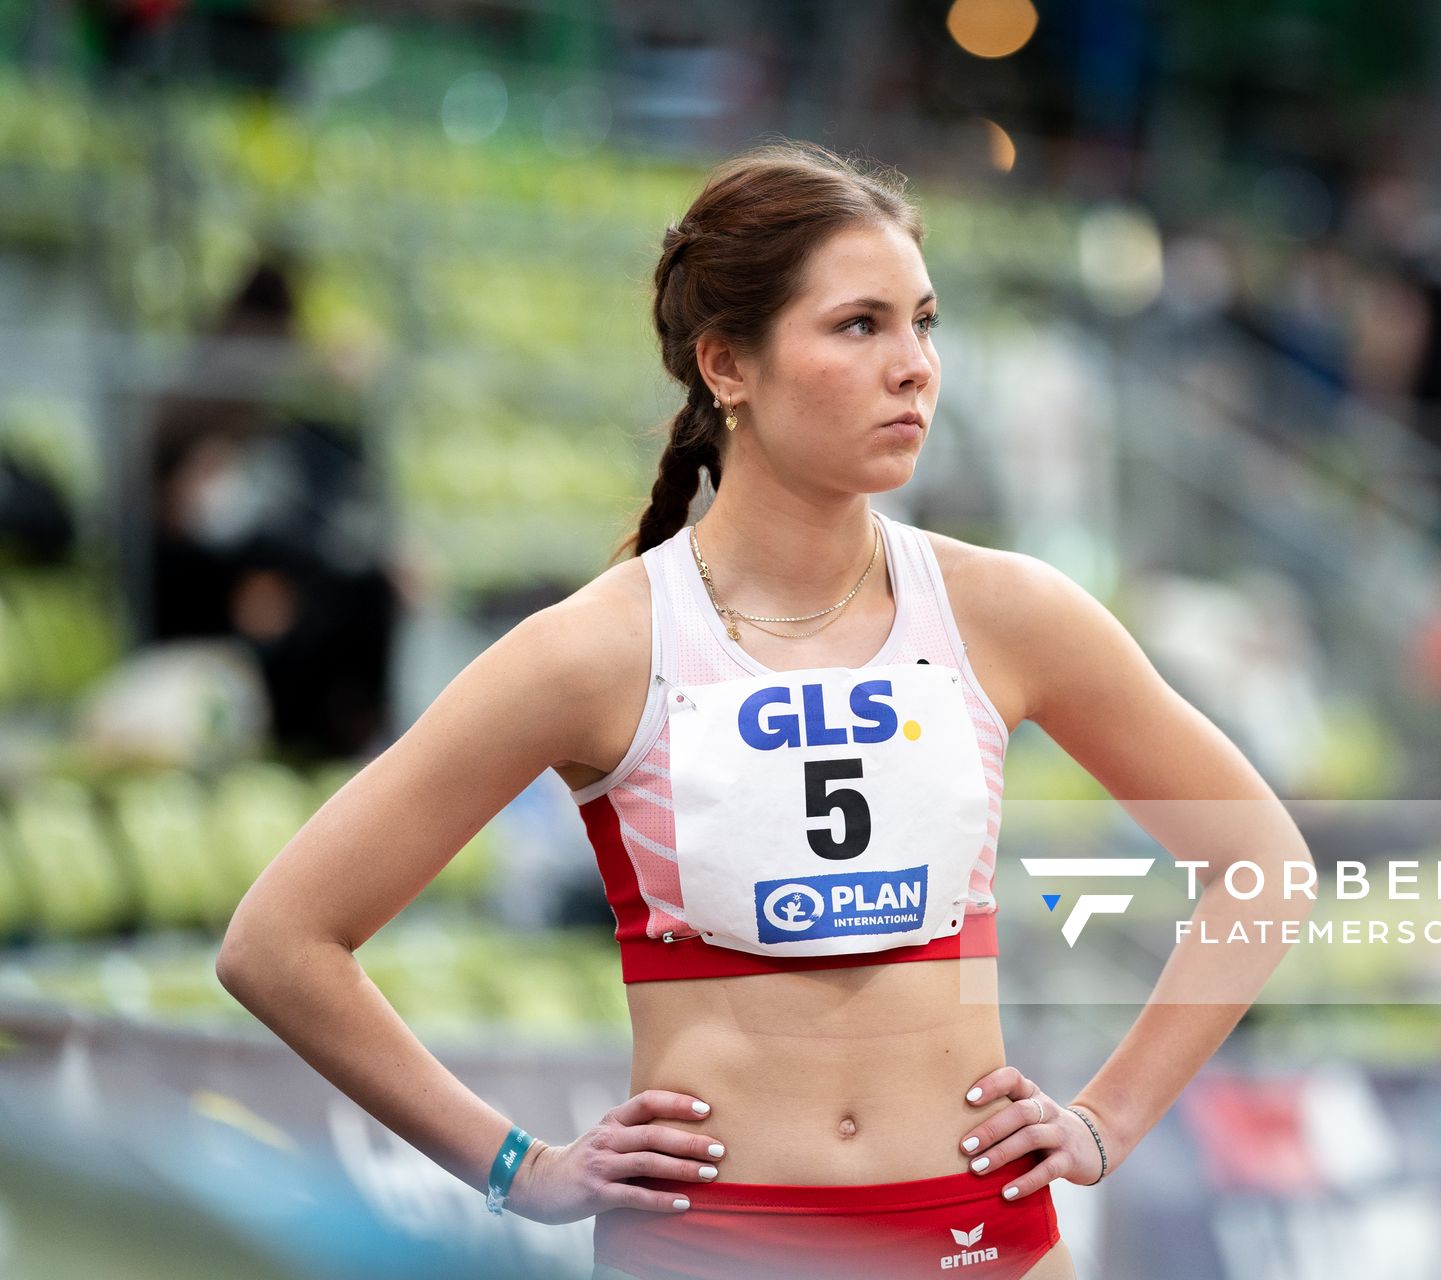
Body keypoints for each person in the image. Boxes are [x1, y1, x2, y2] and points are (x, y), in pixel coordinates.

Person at [216, 141, 1311, 1279]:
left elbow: (1262, 861)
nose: (916, 366)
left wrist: (1107, 1118)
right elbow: (280, 942)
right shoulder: (596, 648)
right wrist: (516, 1165)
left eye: (924, 323)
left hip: (985, 1244)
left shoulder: (1011, 611)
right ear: (727, 364)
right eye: (860, 325)